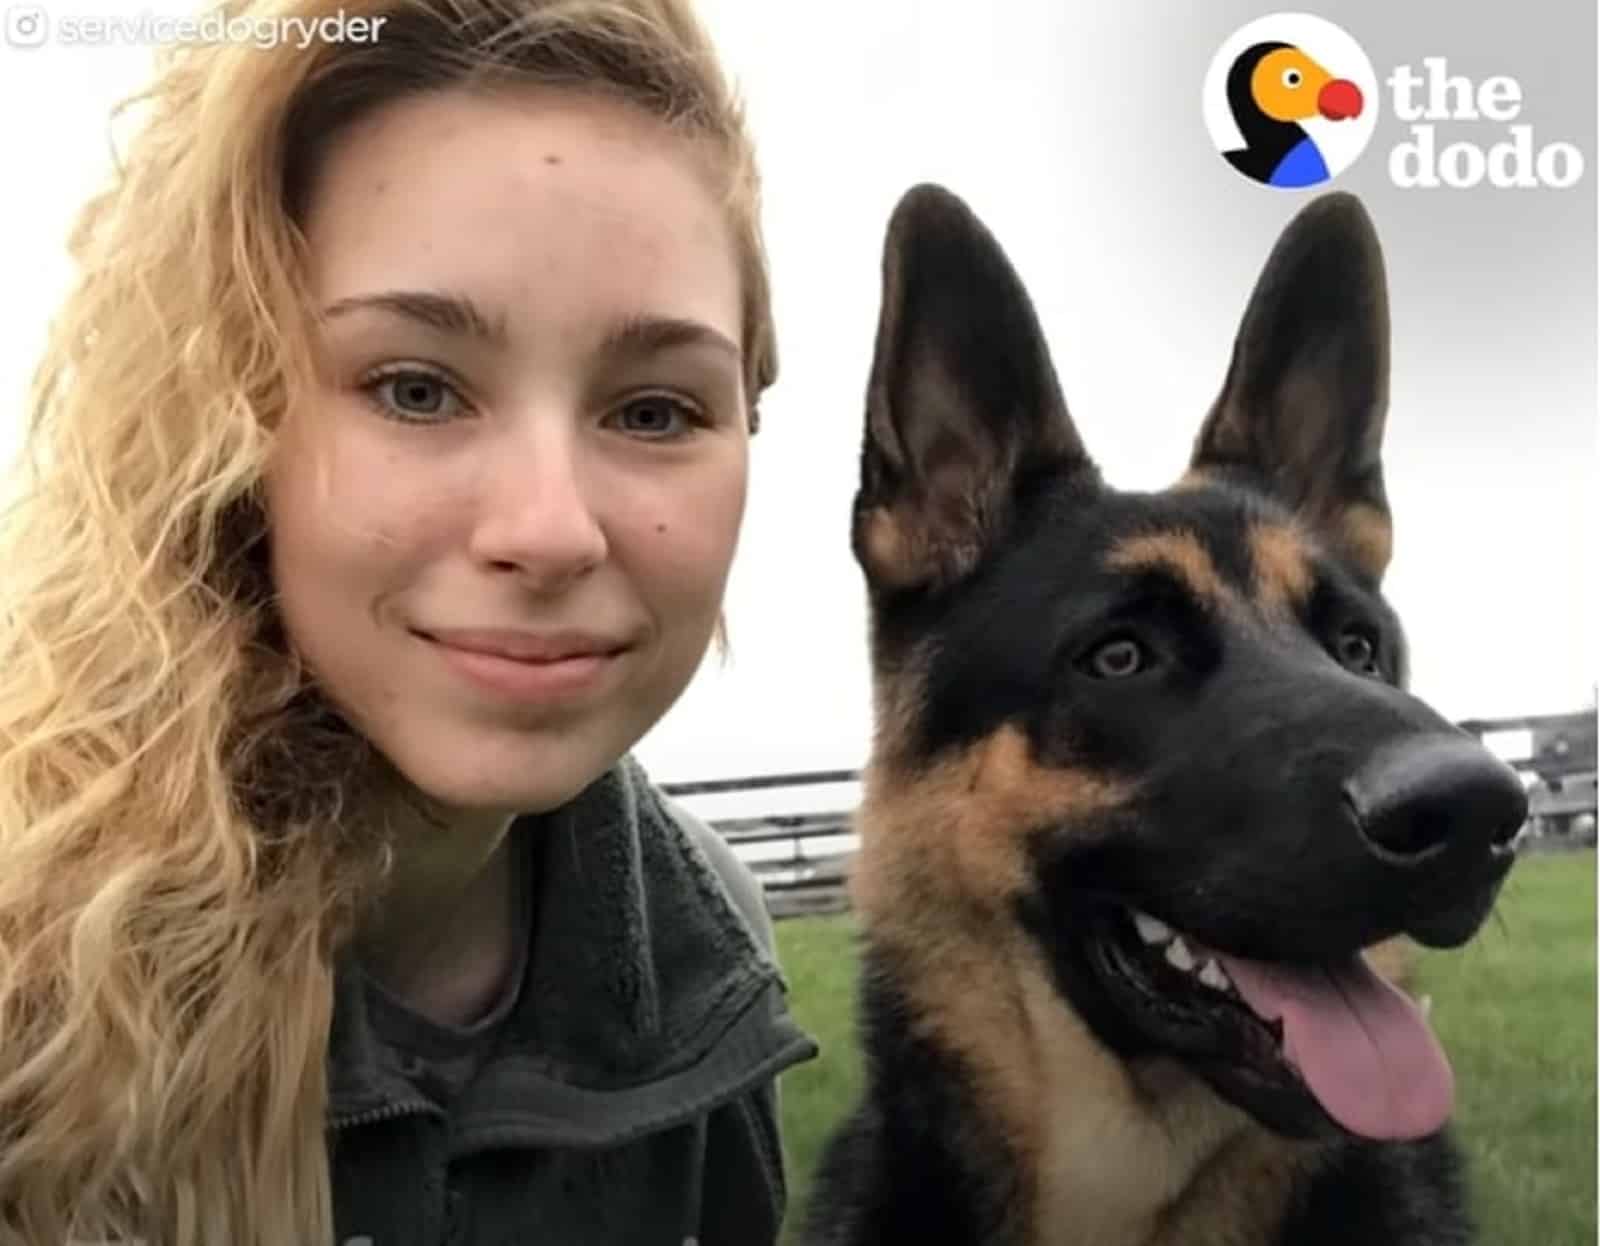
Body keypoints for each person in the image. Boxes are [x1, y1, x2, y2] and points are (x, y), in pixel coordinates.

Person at [0, 1, 817, 1243]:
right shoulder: (29, 980)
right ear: (228, 416)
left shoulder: (706, 940)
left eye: (653, 410)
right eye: (416, 387)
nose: (550, 529)